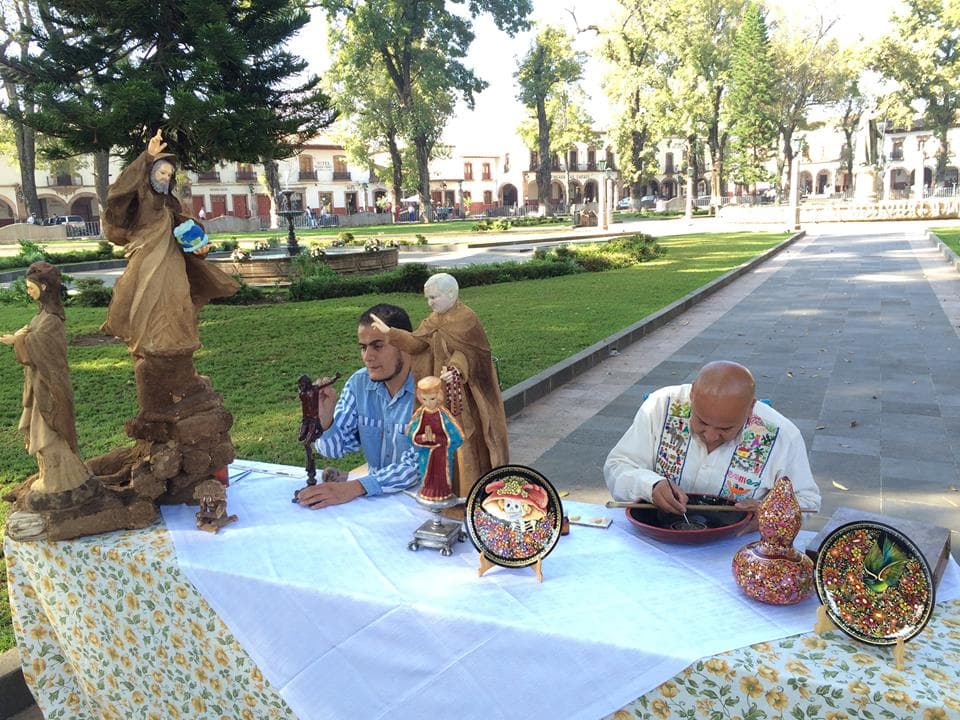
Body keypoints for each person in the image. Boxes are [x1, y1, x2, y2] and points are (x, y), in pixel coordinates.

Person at [604, 361, 820, 516]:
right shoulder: (661, 406)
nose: (711, 436)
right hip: (656, 538)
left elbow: (808, 501)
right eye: (702, 422)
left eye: (726, 428)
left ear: (751, 408)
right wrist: (650, 486)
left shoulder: (783, 435)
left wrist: (774, 511)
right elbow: (617, 466)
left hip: (739, 549)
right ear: (692, 395)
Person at [370, 273, 509, 497]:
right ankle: (444, 489)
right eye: (428, 298)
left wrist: (455, 369)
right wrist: (391, 334)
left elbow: (474, 354)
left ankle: (469, 494)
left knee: (464, 440)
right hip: (437, 393)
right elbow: (417, 344)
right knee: (440, 441)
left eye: (434, 297)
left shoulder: (467, 320)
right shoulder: (434, 319)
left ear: (451, 294)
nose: (430, 303)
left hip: (464, 395)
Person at [296, 304, 419, 509]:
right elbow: (334, 449)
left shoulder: (430, 390)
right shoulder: (359, 384)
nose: (367, 356)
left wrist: (355, 487)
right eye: (363, 347)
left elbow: (417, 467)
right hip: (377, 501)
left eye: (377, 346)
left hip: (424, 503)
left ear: (405, 344)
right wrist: (324, 420)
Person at [1, 262, 99, 511]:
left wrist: (19, 339)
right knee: (39, 433)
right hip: (38, 386)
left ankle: (63, 481)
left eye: (30, 287)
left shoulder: (52, 320)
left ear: (44, 286)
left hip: (50, 390)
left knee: (48, 434)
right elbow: (32, 342)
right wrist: (22, 337)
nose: (28, 291)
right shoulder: (41, 316)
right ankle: (49, 477)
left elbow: (43, 351)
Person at [408, 376, 463, 502]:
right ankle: (428, 490)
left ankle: (443, 492)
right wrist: (422, 438)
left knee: (441, 477)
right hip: (425, 454)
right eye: (425, 399)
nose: (429, 403)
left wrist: (436, 438)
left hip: (442, 454)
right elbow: (412, 436)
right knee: (427, 477)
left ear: (438, 396)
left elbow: (457, 438)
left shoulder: (443, 416)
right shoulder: (419, 415)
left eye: (432, 399)